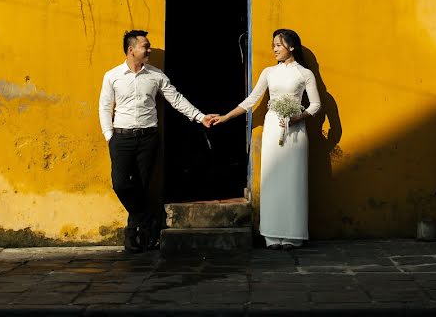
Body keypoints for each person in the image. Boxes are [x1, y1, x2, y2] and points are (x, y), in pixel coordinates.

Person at [99, 30, 218, 252]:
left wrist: (200, 117)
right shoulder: (112, 76)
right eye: (145, 46)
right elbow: (105, 107)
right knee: (121, 184)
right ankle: (147, 220)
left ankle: (133, 236)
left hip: (148, 138)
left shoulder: (156, 75)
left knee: (143, 185)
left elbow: (177, 99)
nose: (149, 49)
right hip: (121, 137)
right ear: (131, 49)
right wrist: (109, 136)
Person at [209, 29, 321, 249]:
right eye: (273, 46)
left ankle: (292, 235)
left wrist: (298, 117)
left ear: (291, 46)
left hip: (295, 133)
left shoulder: (304, 74)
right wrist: (225, 117)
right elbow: (251, 100)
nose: (274, 50)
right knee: (273, 179)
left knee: (293, 181)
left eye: (278, 45)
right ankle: (271, 234)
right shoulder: (269, 72)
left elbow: (316, 105)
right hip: (272, 128)